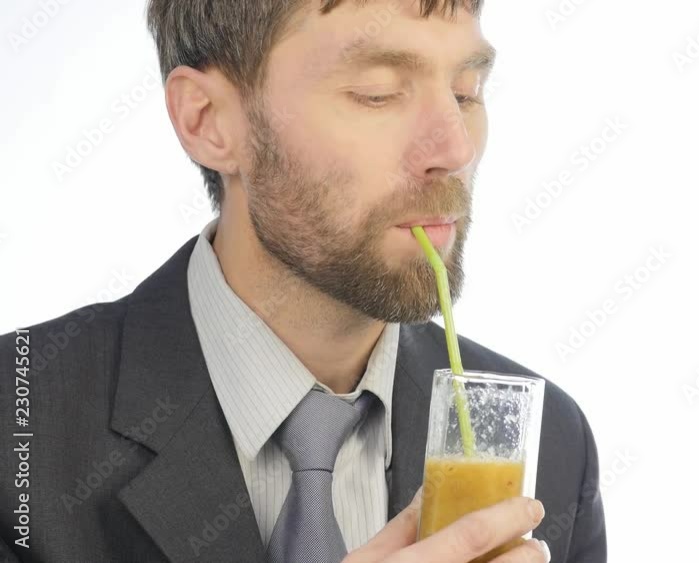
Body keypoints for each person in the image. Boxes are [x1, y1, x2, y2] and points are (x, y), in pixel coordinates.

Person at [0, 1, 606, 562]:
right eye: (379, 94)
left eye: (466, 91)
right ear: (209, 121)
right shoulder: (18, 424)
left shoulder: (552, 442)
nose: (454, 149)